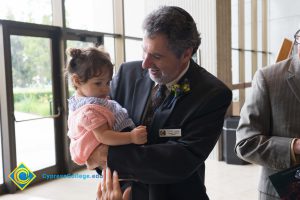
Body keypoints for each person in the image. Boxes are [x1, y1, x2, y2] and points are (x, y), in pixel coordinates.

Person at [91, 6, 232, 200]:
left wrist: (110, 156)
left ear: (185, 54)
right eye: (144, 51)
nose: (145, 64)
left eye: (156, 56)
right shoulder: (126, 74)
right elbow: (95, 123)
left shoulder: (213, 94)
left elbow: (182, 158)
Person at [235, 29, 300, 200]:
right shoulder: (269, 78)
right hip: (283, 192)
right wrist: (295, 146)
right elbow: (245, 143)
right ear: (298, 42)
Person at [65, 47, 147, 171]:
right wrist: (131, 136)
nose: (106, 89)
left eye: (108, 83)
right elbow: (103, 135)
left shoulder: (88, 100)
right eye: (98, 83)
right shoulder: (89, 110)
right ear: (77, 81)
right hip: (111, 156)